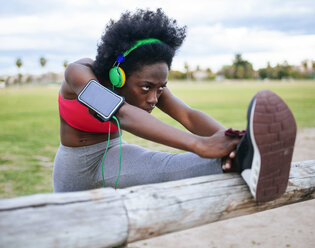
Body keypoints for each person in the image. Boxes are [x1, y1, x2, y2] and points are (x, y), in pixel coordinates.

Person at [53, 9, 296, 202]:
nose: (154, 99)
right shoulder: (79, 74)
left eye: (161, 88)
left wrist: (232, 140)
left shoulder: (152, 86)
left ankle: (243, 159)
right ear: (119, 75)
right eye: (147, 87)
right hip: (75, 167)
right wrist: (198, 143)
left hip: (115, 154)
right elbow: (122, 113)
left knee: (170, 167)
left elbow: (188, 116)